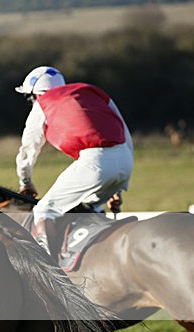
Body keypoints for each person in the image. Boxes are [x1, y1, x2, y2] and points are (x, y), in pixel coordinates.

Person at [14, 66, 133, 256]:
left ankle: (47, 270)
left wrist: (25, 182)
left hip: (96, 163)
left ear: (36, 94)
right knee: (89, 205)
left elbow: (28, 150)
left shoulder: (42, 104)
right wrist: (119, 186)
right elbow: (125, 134)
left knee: (44, 210)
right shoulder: (93, 92)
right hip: (125, 160)